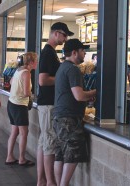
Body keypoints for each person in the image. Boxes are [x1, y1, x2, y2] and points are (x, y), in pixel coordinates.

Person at [53, 39, 96, 186]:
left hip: (59, 116)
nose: (85, 54)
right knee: (72, 154)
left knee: (60, 155)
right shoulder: (73, 69)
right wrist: (95, 92)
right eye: (83, 51)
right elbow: (79, 95)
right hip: (69, 119)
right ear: (74, 52)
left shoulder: (62, 67)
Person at [37, 22, 74, 186]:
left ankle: (42, 180)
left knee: (44, 142)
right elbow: (43, 80)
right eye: (64, 35)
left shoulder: (50, 53)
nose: (65, 39)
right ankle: (50, 181)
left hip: (47, 104)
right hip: (48, 105)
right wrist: (62, 79)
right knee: (50, 143)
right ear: (56, 33)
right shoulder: (48, 53)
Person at [5, 52, 38, 166]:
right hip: (19, 106)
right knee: (24, 133)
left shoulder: (18, 70)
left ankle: (9, 156)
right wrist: (32, 95)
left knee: (14, 132)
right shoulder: (27, 73)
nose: (37, 63)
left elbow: (10, 82)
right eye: (36, 61)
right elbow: (26, 93)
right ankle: (22, 159)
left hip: (11, 103)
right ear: (31, 62)